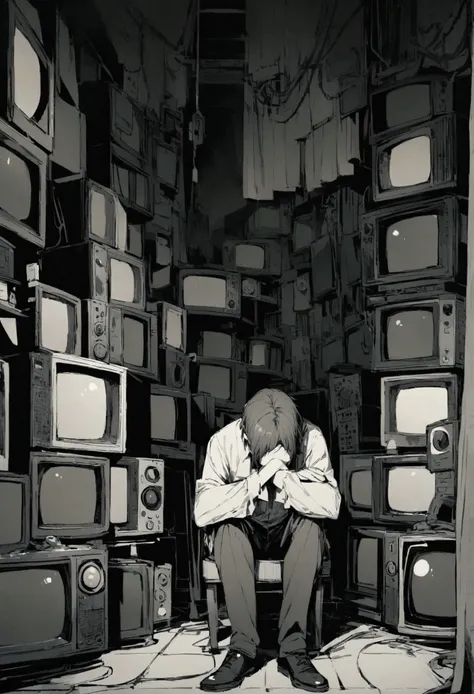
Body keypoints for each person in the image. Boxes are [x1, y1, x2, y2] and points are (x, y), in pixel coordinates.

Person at [194, 388, 341, 693]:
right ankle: (243, 650)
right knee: (226, 529)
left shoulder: (311, 438)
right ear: (247, 434)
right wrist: (257, 480)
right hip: (247, 530)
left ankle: (293, 650)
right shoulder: (224, 441)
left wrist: (286, 477)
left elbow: (331, 505)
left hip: (289, 529)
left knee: (312, 527)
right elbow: (202, 512)